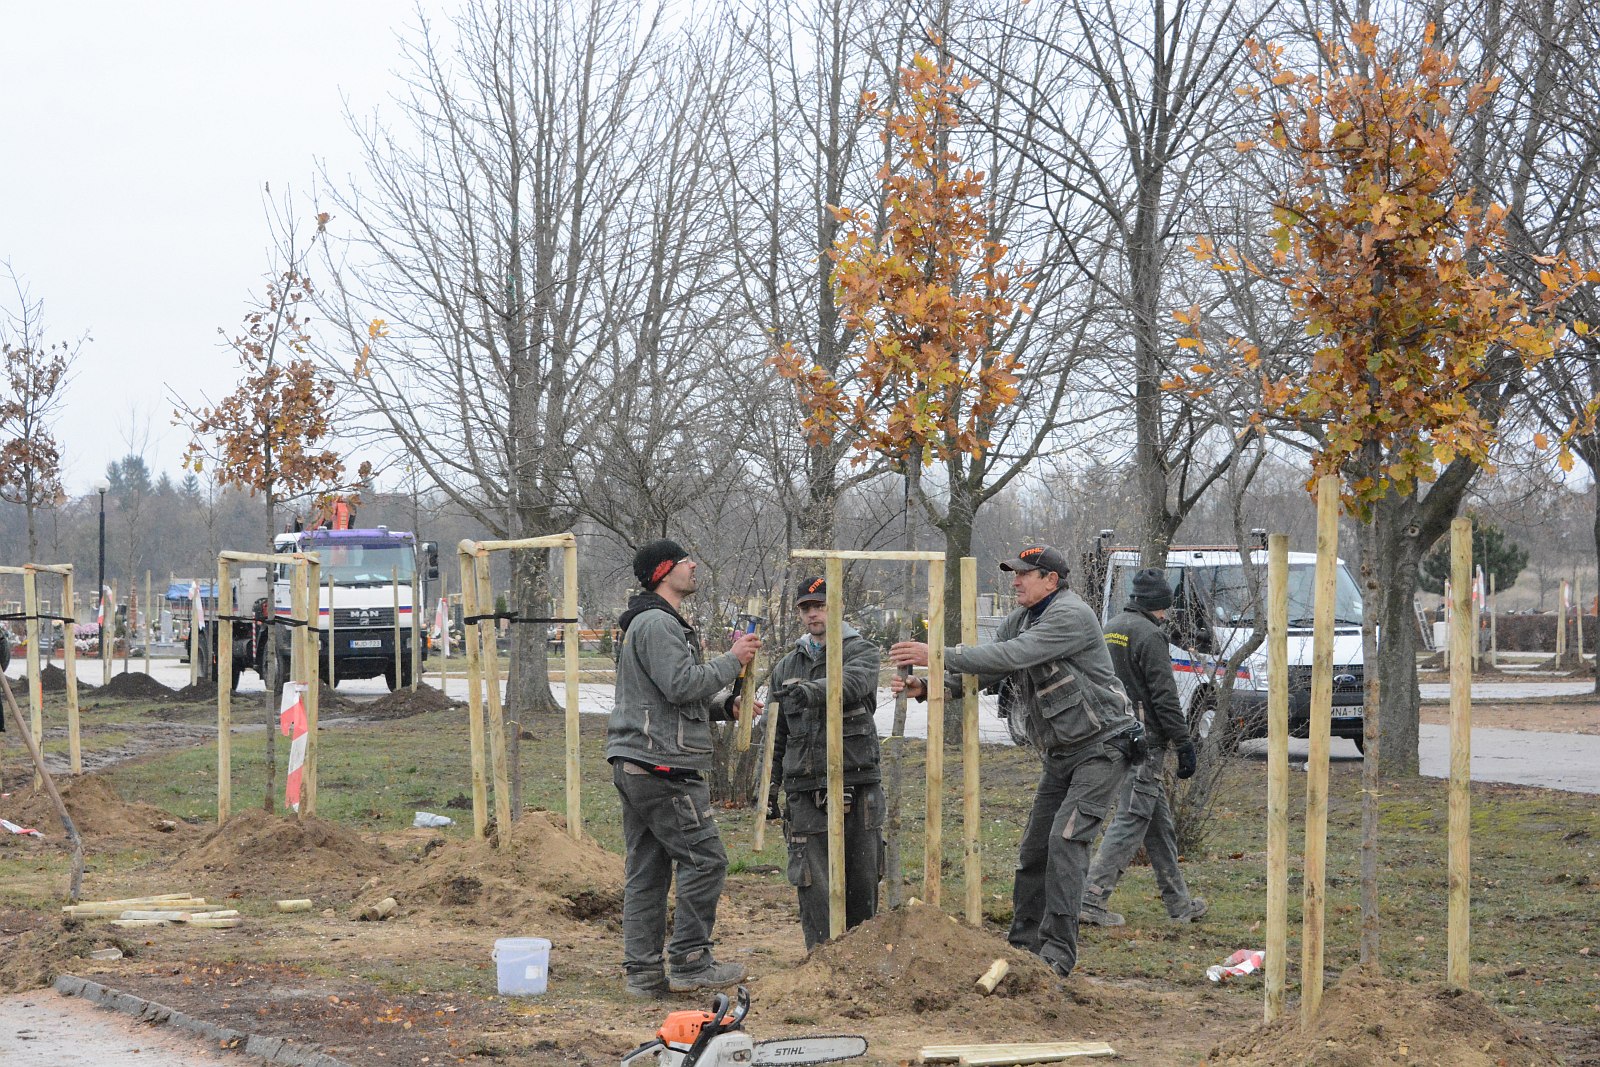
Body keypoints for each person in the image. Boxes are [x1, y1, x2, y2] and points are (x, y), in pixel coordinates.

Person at [889, 545, 1141, 980]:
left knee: (1066, 843)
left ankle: (1057, 957)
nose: (1016, 581)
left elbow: (1012, 656)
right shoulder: (1022, 618)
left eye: (1025, 574)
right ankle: (1023, 950)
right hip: (1061, 753)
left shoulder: (1070, 616)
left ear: (1051, 580)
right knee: (1034, 850)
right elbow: (990, 670)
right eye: (1014, 573)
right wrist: (931, 686)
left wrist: (937, 653)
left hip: (1103, 747)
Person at [607, 538, 762, 998]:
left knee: (648, 871)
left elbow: (668, 698)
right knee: (705, 860)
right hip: (662, 766)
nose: (693, 565)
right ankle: (691, 962)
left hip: (640, 761)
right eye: (684, 560)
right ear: (663, 572)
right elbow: (680, 684)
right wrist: (732, 660)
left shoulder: (653, 622)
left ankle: (643, 974)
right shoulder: (657, 623)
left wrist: (726, 707)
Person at [1080, 567, 1206, 927]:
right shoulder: (1150, 635)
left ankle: (1179, 904)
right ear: (1158, 605)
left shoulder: (1112, 627)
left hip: (1113, 734)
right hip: (1144, 742)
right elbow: (1164, 696)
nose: (1167, 614)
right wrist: (1183, 742)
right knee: (1133, 817)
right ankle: (1091, 898)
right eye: (1166, 607)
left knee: (1157, 824)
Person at [764, 576, 884, 950]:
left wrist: (811, 691)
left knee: (862, 879)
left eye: (820, 606)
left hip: (857, 782)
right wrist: (767, 787)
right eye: (806, 608)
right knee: (813, 882)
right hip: (805, 788)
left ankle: (859, 959)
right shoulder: (787, 665)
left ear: (837, 608)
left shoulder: (861, 651)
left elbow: (854, 683)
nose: (813, 614)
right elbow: (775, 732)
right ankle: (819, 962)